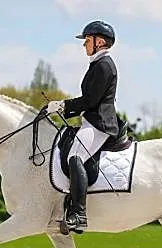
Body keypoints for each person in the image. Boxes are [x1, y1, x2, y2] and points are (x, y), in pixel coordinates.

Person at [46, 20, 119, 232]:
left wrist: (63, 105)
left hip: (100, 124)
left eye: (87, 40)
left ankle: (79, 214)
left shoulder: (104, 65)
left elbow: (90, 100)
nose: (84, 45)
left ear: (100, 42)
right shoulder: (98, 64)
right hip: (92, 121)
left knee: (75, 156)